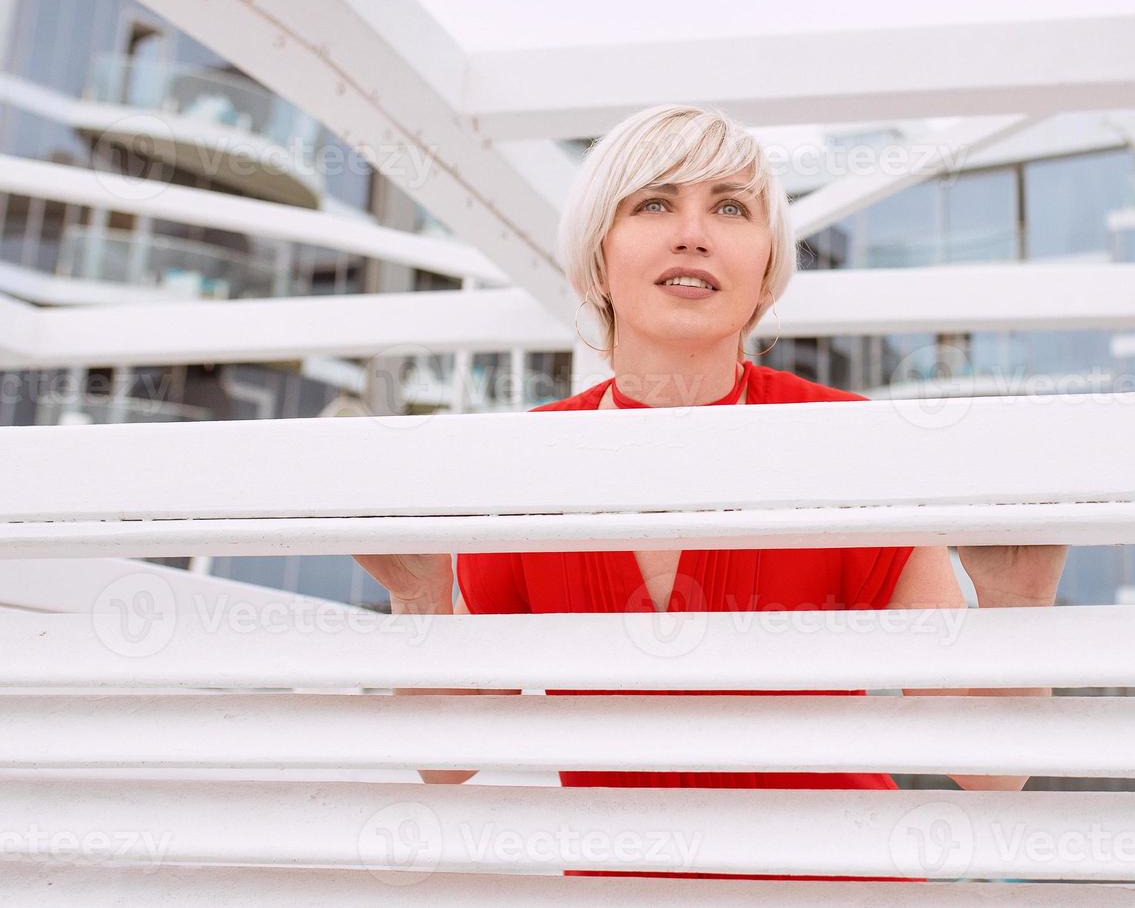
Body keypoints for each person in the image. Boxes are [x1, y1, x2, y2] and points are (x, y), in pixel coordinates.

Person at [355, 103, 1068, 881]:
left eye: (730, 207)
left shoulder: (844, 445)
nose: (693, 232)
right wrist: (421, 600)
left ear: (765, 270)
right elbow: (446, 762)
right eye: (654, 202)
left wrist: (1017, 606)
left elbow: (989, 774)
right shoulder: (530, 461)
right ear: (597, 259)